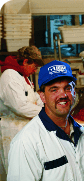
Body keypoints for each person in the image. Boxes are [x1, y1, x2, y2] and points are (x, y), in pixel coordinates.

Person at [0, 46, 44, 174]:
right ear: (25, 62)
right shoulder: (10, 76)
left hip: (23, 127)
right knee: (16, 172)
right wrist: (47, 113)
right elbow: (20, 106)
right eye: (34, 65)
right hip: (12, 130)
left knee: (27, 170)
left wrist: (43, 97)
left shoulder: (23, 76)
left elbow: (29, 98)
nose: (35, 69)